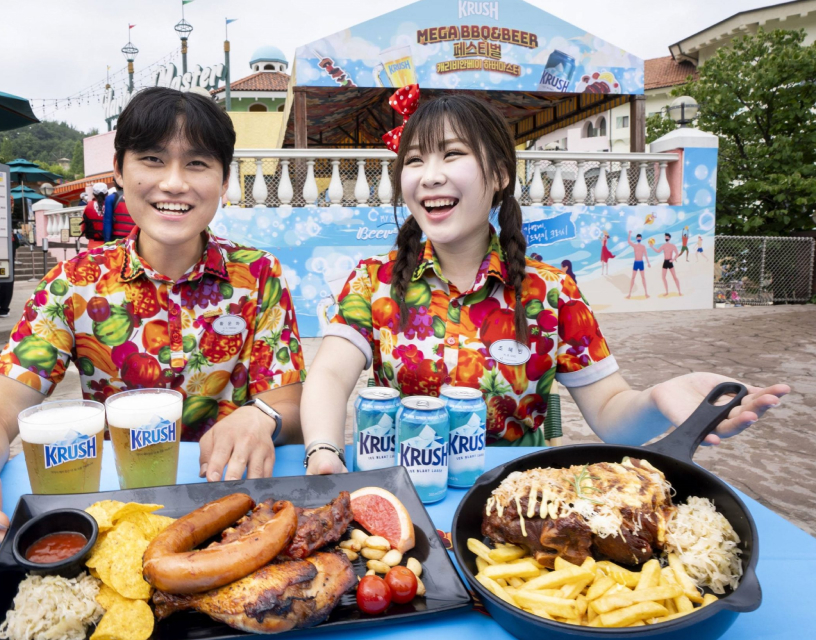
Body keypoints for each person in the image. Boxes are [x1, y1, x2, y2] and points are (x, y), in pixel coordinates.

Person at [299, 93, 787, 474]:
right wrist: (322, 448)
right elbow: (329, 375)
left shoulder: (552, 293)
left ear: (499, 175)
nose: (429, 177)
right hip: (402, 494)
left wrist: (658, 399)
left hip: (513, 505)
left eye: (451, 155)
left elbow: (611, 411)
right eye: (414, 161)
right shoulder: (374, 281)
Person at [0, 88, 305, 543]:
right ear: (120, 172)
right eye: (153, 160)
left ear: (223, 182)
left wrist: (262, 416)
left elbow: (290, 405)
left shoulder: (258, 274)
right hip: (122, 512)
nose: (175, 183)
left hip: (235, 504)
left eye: (198, 164)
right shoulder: (73, 282)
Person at [651, 232, 682, 296]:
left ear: (669, 238)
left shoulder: (672, 245)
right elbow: (658, 251)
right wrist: (652, 247)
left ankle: (679, 291)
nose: (666, 238)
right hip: (665, 262)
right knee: (663, 277)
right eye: (665, 237)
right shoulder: (663, 245)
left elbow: (677, 253)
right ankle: (666, 292)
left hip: (670, 262)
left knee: (674, 277)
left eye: (667, 237)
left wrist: (673, 259)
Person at [81, 182, 108, 250]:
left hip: (93, 246)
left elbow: (83, 229)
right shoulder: (112, 206)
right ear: (107, 194)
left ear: (93, 194)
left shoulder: (88, 207)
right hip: (110, 245)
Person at [626, 231, 651, 299]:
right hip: (636, 263)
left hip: (641, 263)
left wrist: (648, 263)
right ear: (636, 239)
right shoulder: (635, 246)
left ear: (641, 238)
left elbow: (646, 255)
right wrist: (630, 234)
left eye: (640, 237)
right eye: (638, 238)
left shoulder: (643, 246)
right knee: (633, 278)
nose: (639, 238)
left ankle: (646, 293)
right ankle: (629, 294)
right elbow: (629, 241)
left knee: (643, 278)